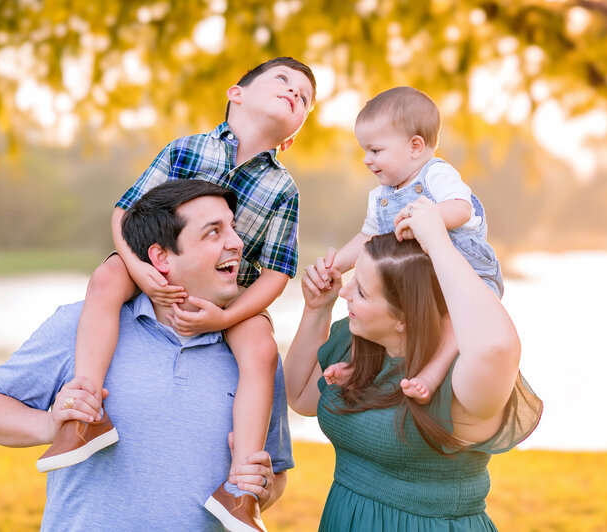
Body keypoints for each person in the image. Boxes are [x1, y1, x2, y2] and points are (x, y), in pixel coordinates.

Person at [39, 57, 315, 529]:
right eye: (283, 81)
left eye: (305, 98)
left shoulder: (282, 187)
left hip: (232, 294)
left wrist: (226, 319)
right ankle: (85, 416)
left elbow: (275, 274)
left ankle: (241, 489)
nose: (295, 93)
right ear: (237, 93)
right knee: (105, 281)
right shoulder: (187, 149)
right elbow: (125, 214)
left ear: (292, 135)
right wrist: (139, 271)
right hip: (153, 265)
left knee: (261, 349)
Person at [0, 180, 294, 532]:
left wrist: (262, 487)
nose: (237, 242)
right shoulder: (82, 326)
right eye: (213, 233)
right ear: (161, 258)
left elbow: (274, 474)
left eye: (231, 227)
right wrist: (50, 425)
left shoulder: (256, 356)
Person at [286, 196, 542, 531]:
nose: (345, 292)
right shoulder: (362, 345)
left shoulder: (458, 378)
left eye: (361, 292)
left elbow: (498, 347)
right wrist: (317, 309)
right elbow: (301, 396)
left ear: (405, 316)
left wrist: (436, 239)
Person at [306, 86, 503, 404]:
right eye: (365, 151)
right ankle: (358, 367)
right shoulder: (380, 196)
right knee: (365, 305)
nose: (367, 160)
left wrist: (429, 218)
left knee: (451, 322)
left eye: (375, 150)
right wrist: (336, 265)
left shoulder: (436, 174)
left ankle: (432, 373)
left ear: (415, 146)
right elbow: (367, 237)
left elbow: (461, 208)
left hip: (464, 269)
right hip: (418, 276)